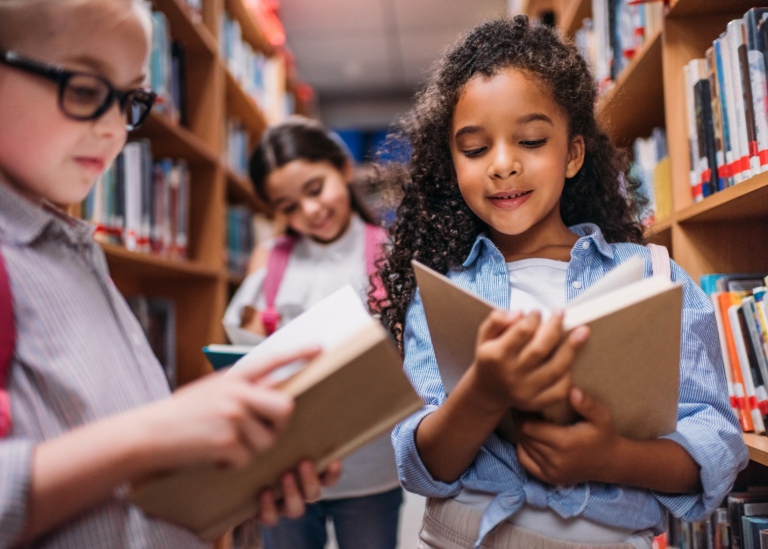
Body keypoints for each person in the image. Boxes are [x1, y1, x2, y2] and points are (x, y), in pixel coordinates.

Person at [377, 15, 749, 549]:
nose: (502, 165)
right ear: (452, 163)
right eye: (475, 149)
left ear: (572, 153)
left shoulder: (650, 276)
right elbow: (422, 465)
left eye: (529, 140)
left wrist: (612, 457)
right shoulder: (445, 294)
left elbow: (714, 446)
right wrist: (483, 393)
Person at [0, 1, 340, 547]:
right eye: (85, 91)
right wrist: (157, 433)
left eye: (131, 100)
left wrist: (227, 476)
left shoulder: (74, 253)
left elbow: (120, 486)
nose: (115, 129)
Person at [223, 117, 403, 549]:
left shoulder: (391, 253)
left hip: (369, 470)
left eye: (315, 189)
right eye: (287, 207)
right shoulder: (271, 264)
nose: (309, 212)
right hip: (286, 470)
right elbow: (246, 350)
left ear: (342, 168)